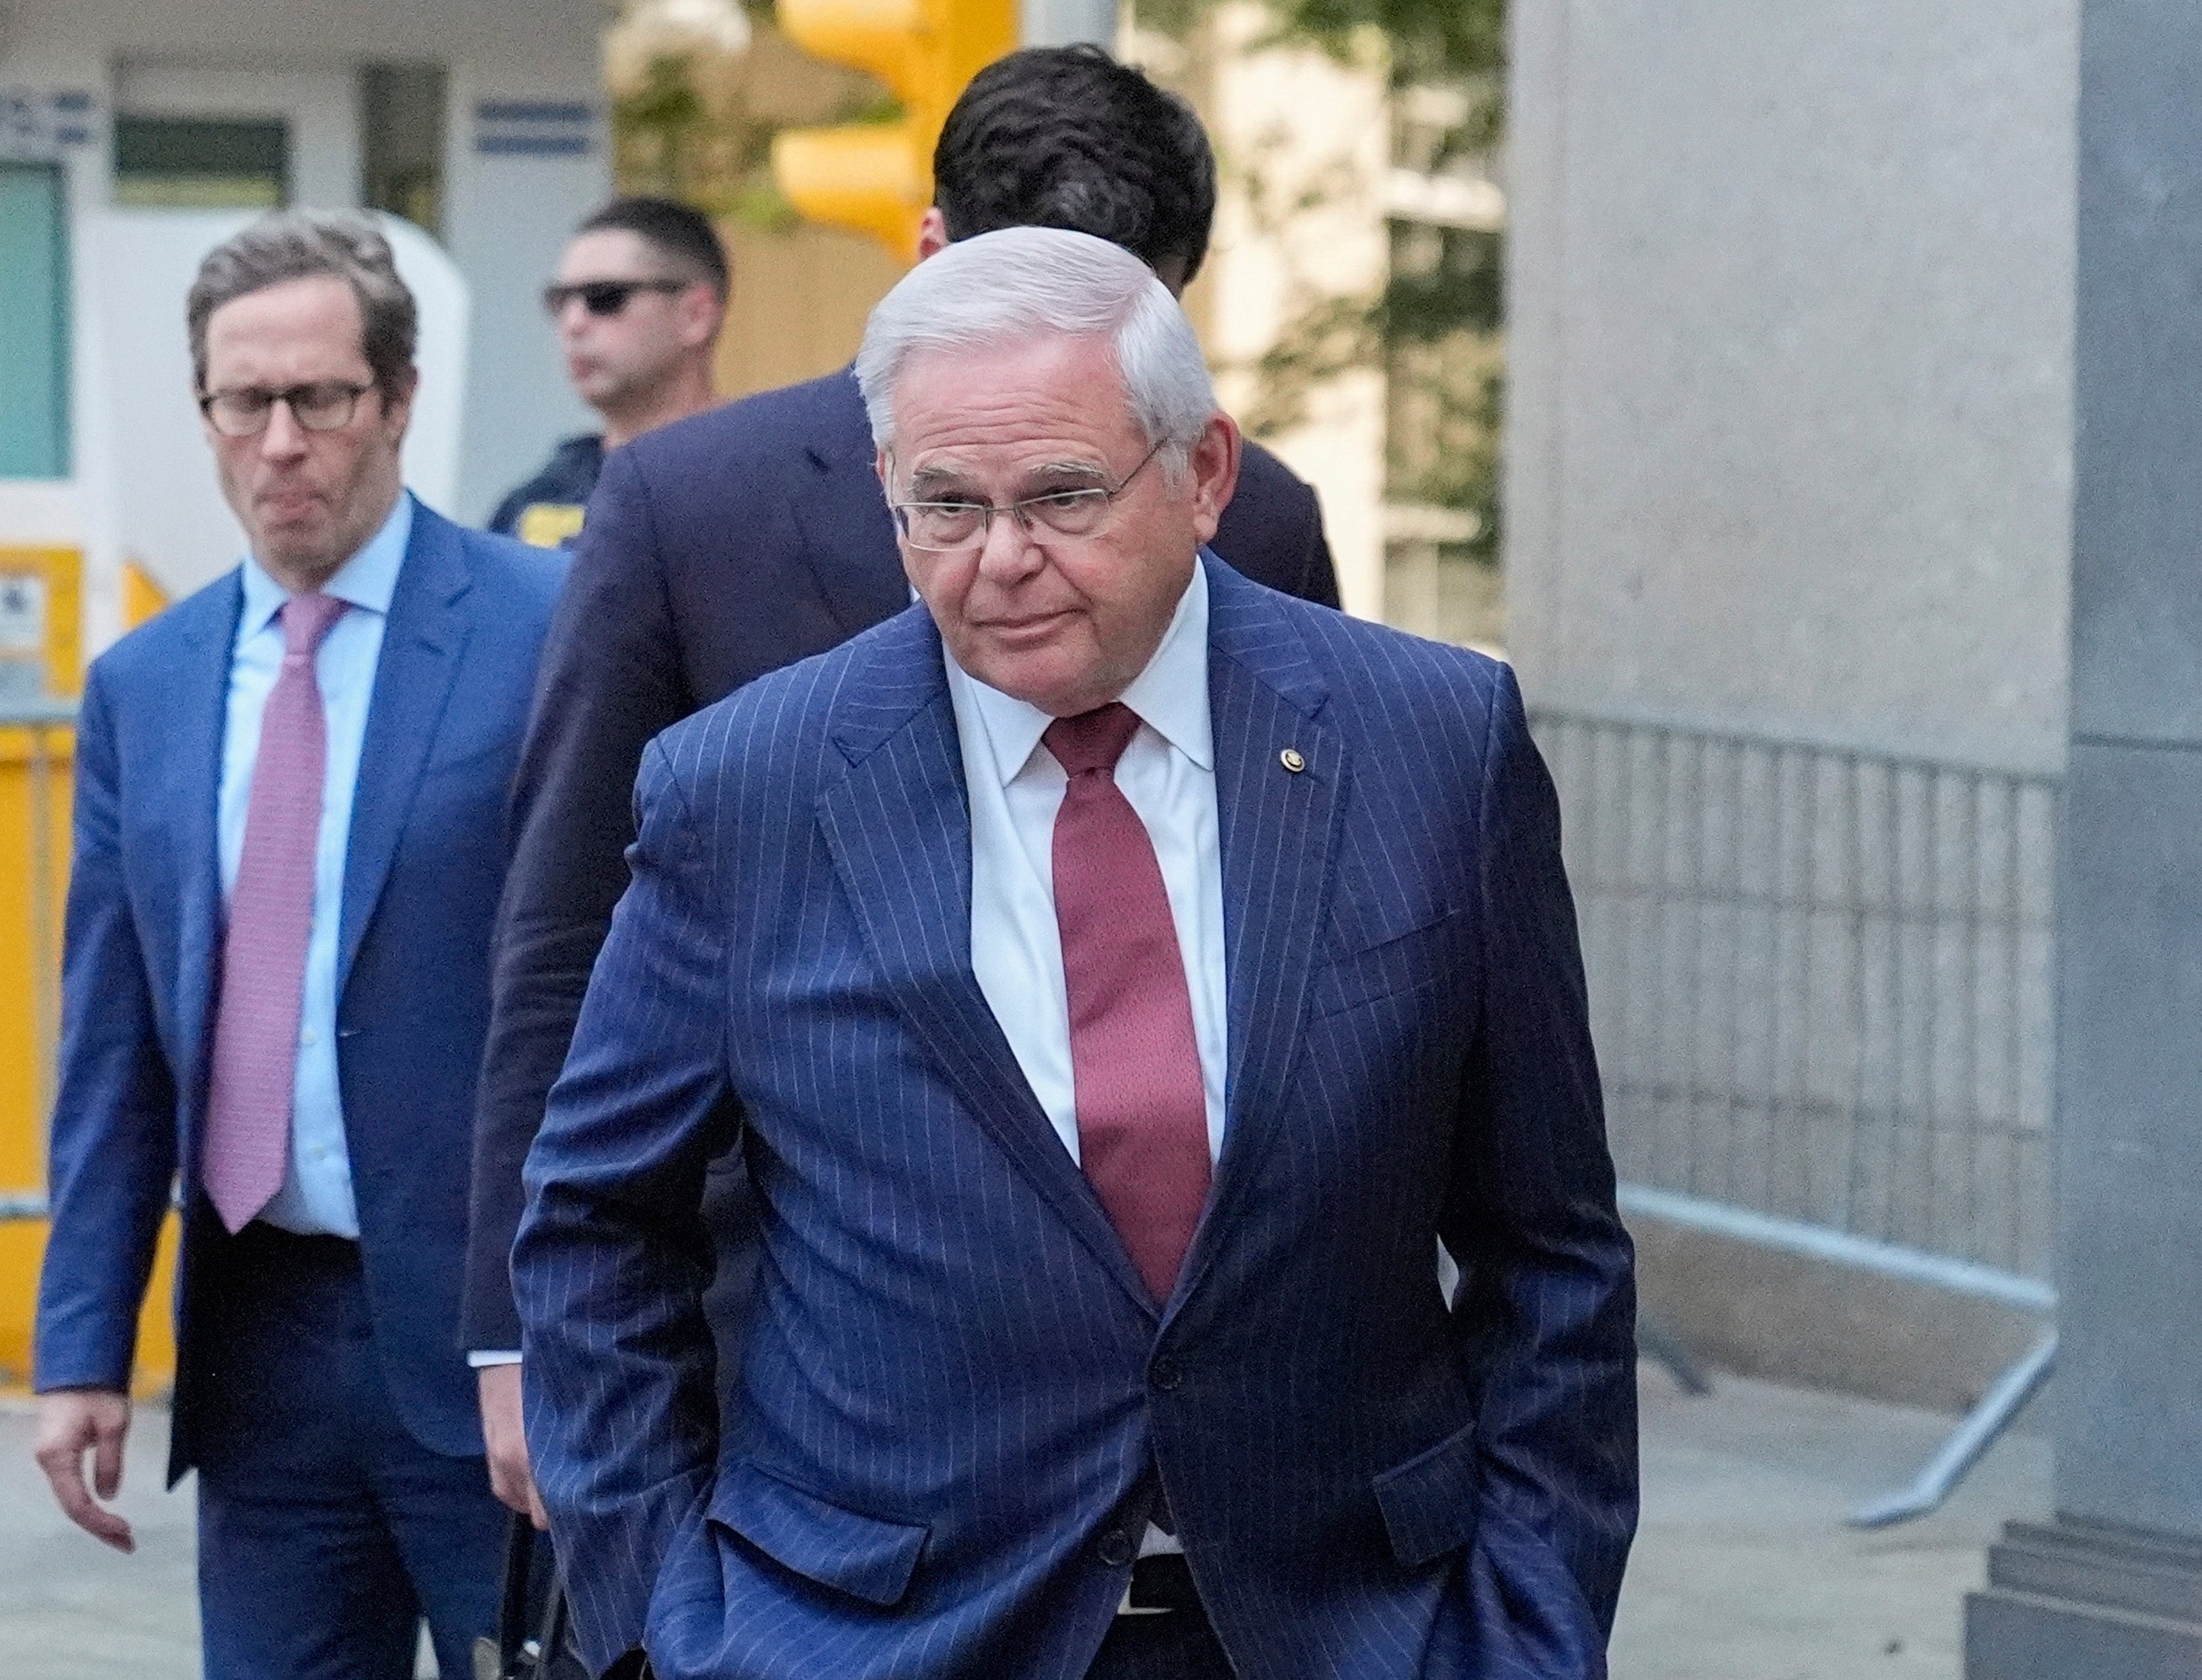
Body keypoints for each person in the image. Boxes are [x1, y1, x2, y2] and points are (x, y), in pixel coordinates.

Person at [514, 227, 1638, 1679]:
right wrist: (671, 1628)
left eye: (1059, 495)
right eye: (943, 505)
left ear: (1204, 475)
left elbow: (1549, 1249)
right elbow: (596, 1225)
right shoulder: (746, 786)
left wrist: (1527, 1633)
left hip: (1345, 1625)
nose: (1000, 562)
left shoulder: (1428, 743)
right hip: (875, 1633)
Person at [467, 42, 1350, 1515]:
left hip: (1190, 1388)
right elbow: (562, 926)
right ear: (926, 251)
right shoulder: (691, 503)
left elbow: (1308, 926)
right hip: (778, 1349)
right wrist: (517, 1334)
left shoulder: (1255, 519)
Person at [28, 211, 566, 1679]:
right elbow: (113, 1041)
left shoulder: (544, 629)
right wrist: (80, 1341)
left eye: (318, 398)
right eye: (240, 401)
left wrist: (554, 1332)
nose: (278, 441)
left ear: (394, 399)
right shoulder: (145, 681)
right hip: (259, 1341)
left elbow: (608, 1008)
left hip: (497, 1347)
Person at [487, 197, 728, 548]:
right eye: (560, 301)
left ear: (696, 316)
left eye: (604, 297)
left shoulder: (770, 485)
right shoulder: (536, 502)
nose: (573, 323)